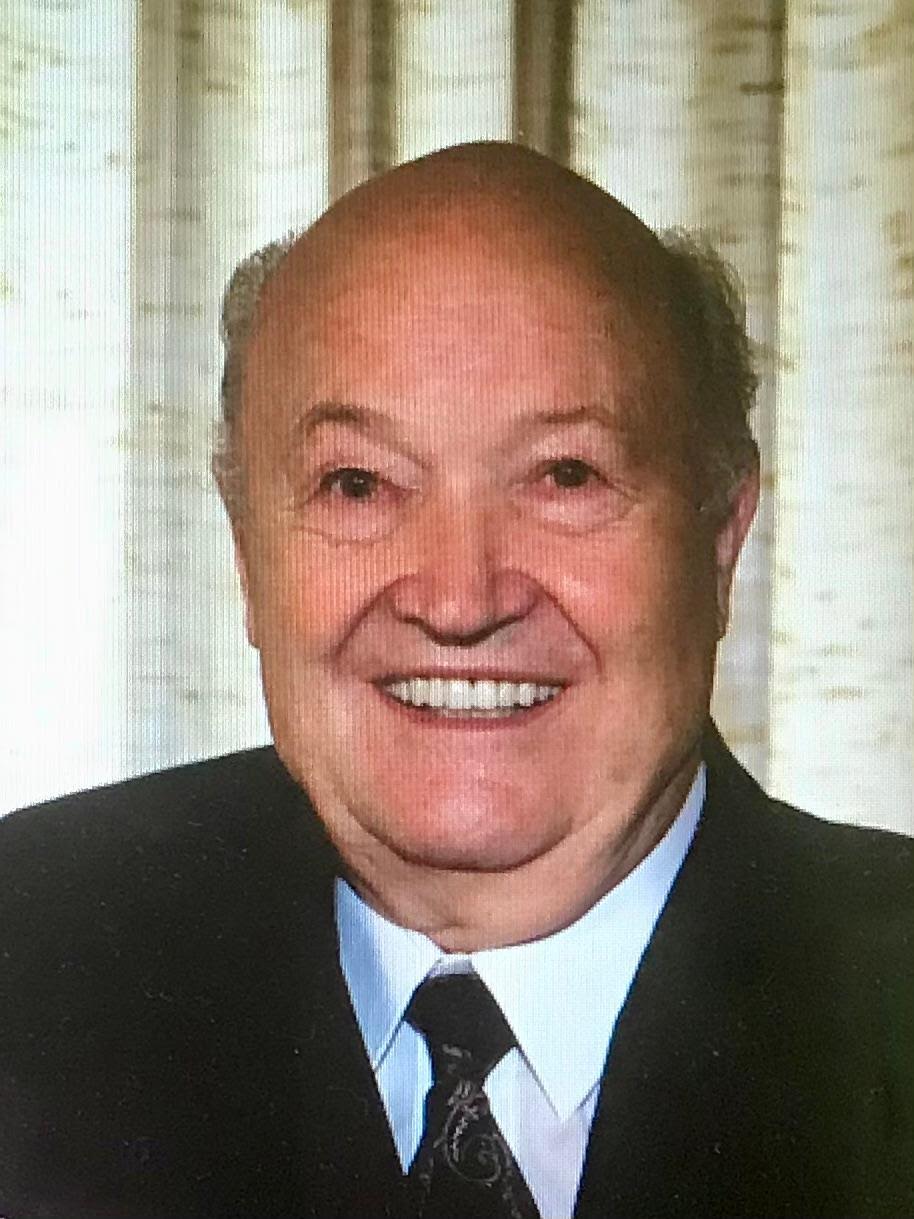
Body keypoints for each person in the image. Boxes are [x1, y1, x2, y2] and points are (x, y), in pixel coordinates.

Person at [0, 142, 910, 1219]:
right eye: (357, 484)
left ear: (719, 540)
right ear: (246, 554)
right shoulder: (31, 956)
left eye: (564, 474)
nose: (458, 597)